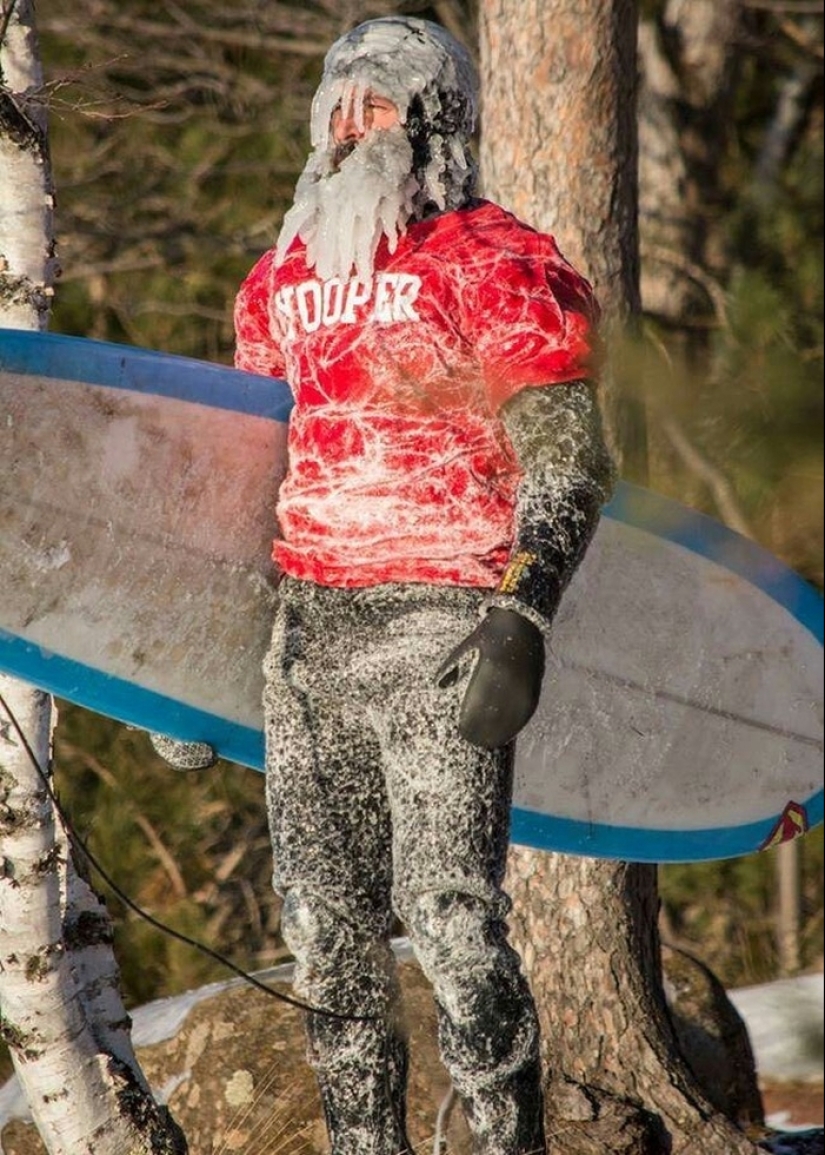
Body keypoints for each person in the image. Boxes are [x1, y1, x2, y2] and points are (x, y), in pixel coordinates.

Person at [168, 15, 615, 1154]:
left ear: (435, 123)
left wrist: (522, 612)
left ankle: (509, 1143)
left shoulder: (494, 259)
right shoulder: (278, 281)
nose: (349, 128)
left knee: (456, 929)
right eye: (337, 106)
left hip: (443, 628)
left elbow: (569, 451)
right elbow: (238, 473)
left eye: (377, 106)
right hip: (306, 642)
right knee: (326, 939)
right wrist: (175, 665)